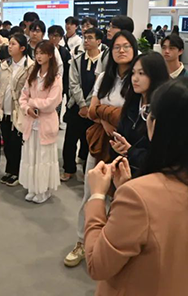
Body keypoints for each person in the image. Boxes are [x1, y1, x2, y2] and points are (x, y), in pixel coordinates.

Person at [84, 78, 188, 296]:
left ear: (156, 125)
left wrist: (96, 196)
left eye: (148, 112)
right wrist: (127, 189)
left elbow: (97, 264)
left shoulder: (138, 195)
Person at [64, 30, 138, 268]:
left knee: (122, 198)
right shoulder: (104, 77)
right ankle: (82, 241)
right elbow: (92, 110)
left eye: (126, 46)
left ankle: (114, 247)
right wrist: (107, 120)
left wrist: (105, 114)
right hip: (101, 143)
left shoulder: (138, 78)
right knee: (92, 193)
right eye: (116, 47)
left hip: (128, 146)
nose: (121, 51)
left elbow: (132, 115)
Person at [110, 51, 170, 177]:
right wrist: (118, 147)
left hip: (149, 178)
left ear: (156, 75)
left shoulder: (163, 109)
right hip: (124, 172)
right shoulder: (132, 103)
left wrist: (130, 151)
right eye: (133, 73)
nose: (135, 78)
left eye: (141, 73)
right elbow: (121, 133)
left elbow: (161, 157)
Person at [19, 40, 63, 203]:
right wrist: (27, 108)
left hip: (46, 124)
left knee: (44, 158)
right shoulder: (32, 75)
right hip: (31, 123)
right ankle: (33, 187)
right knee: (31, 155)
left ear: (50, 55)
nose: (38, 56)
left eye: (42, 53)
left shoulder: (56, 78)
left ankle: (43, 190)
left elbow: (51, 103)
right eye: (37, 53)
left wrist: (32, 102)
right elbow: (23, 97)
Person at [0, 33, 34, 185]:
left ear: (22, 48)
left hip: (19, 112)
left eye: (13, 44)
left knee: (17, 143)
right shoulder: (5, 64)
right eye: (9, 44)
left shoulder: (30, 66)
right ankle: (9, 170)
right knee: (7, 143)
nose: (9, 47)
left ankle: (17, 172)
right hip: (4, 110)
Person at [62, 28, 103, 182]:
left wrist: (89, 106)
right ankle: (69, 169)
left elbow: (99, 87)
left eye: (90, 38)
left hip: (94, 109)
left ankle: (88, 171)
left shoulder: (104, 62)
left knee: (89, 140)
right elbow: (73, 84)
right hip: (76, 107)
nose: (86, 41)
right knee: (70, 140)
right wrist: (82, 105)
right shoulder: (76, 60)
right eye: (85, 38)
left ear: (98, 41)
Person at [47, 25, 71, 98]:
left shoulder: (65, 52)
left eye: (56, 36)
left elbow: (67, 71)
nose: (53, 38)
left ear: (61, 37)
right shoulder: (44, 50)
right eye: (51, 35)